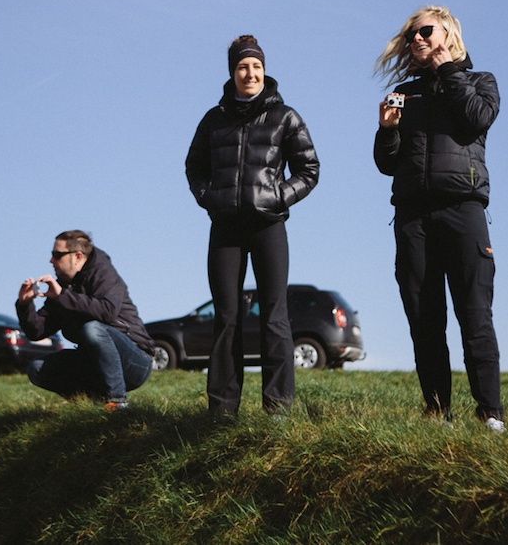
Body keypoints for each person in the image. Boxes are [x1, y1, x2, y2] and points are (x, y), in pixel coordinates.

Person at [373, 6, 505, 432]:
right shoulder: (405, 93)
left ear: (448, 32)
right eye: (411, 35)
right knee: (424, 320)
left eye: (425, 31)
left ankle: (490, 415)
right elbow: (386, 164)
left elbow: (476, 119)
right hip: (412, 215)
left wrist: (449, 69)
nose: (417, 39)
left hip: (463, 209)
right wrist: (387, 130)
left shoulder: (479, 82)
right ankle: (437, 414)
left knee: (474, 314)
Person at [185, 35, 320, 418]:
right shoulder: (213, 119)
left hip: (268, 226)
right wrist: (208, 196)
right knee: (227, 315)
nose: (251, 73)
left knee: (275, 314)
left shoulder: (285, 116)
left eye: (257, 66)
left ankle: (277, 409)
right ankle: (222, 411)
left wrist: (278, 197)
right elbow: (194, 166)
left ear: (264, 70)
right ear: (232, 71)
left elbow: (309, 170)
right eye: (243, 66)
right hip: (225, 227)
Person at [16, 230, 154, 409]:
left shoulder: (103, 273)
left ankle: (119, 403)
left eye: (57, 255)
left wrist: (62, 296)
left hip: (135, 361)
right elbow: (37, 331)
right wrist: (25, 304)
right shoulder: (63, 286)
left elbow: (107, 312)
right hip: (94, 363)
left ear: (78, 256)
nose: (51, 261)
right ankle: (89, 404)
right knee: (37, 368)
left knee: (93, 329)